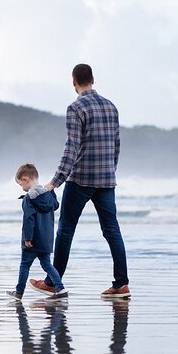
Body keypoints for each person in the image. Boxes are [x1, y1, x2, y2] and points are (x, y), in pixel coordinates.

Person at [29, 63, 131, 298]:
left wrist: (55, 181)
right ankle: (121, 284)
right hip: (106, 179)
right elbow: (116, 146)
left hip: (81, 179)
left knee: (65, 230)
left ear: (74, 82)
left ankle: (53, 282)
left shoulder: (76, 108)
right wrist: (109, 171)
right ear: (93, 79)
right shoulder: (111, 106)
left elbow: (71, 148)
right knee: (112, 230)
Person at [7, 163, 68, 300]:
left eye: (20, 185)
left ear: (25, 180)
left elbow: (29, 219)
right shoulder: (49, 196)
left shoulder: (29, 198)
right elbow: (56, 205)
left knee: (25, 265)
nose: (22, 188)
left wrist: (27, 239)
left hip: (33, 240)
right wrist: (51, 191)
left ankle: (19, 292)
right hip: (46, 240)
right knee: (47, 264)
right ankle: (61, 289)